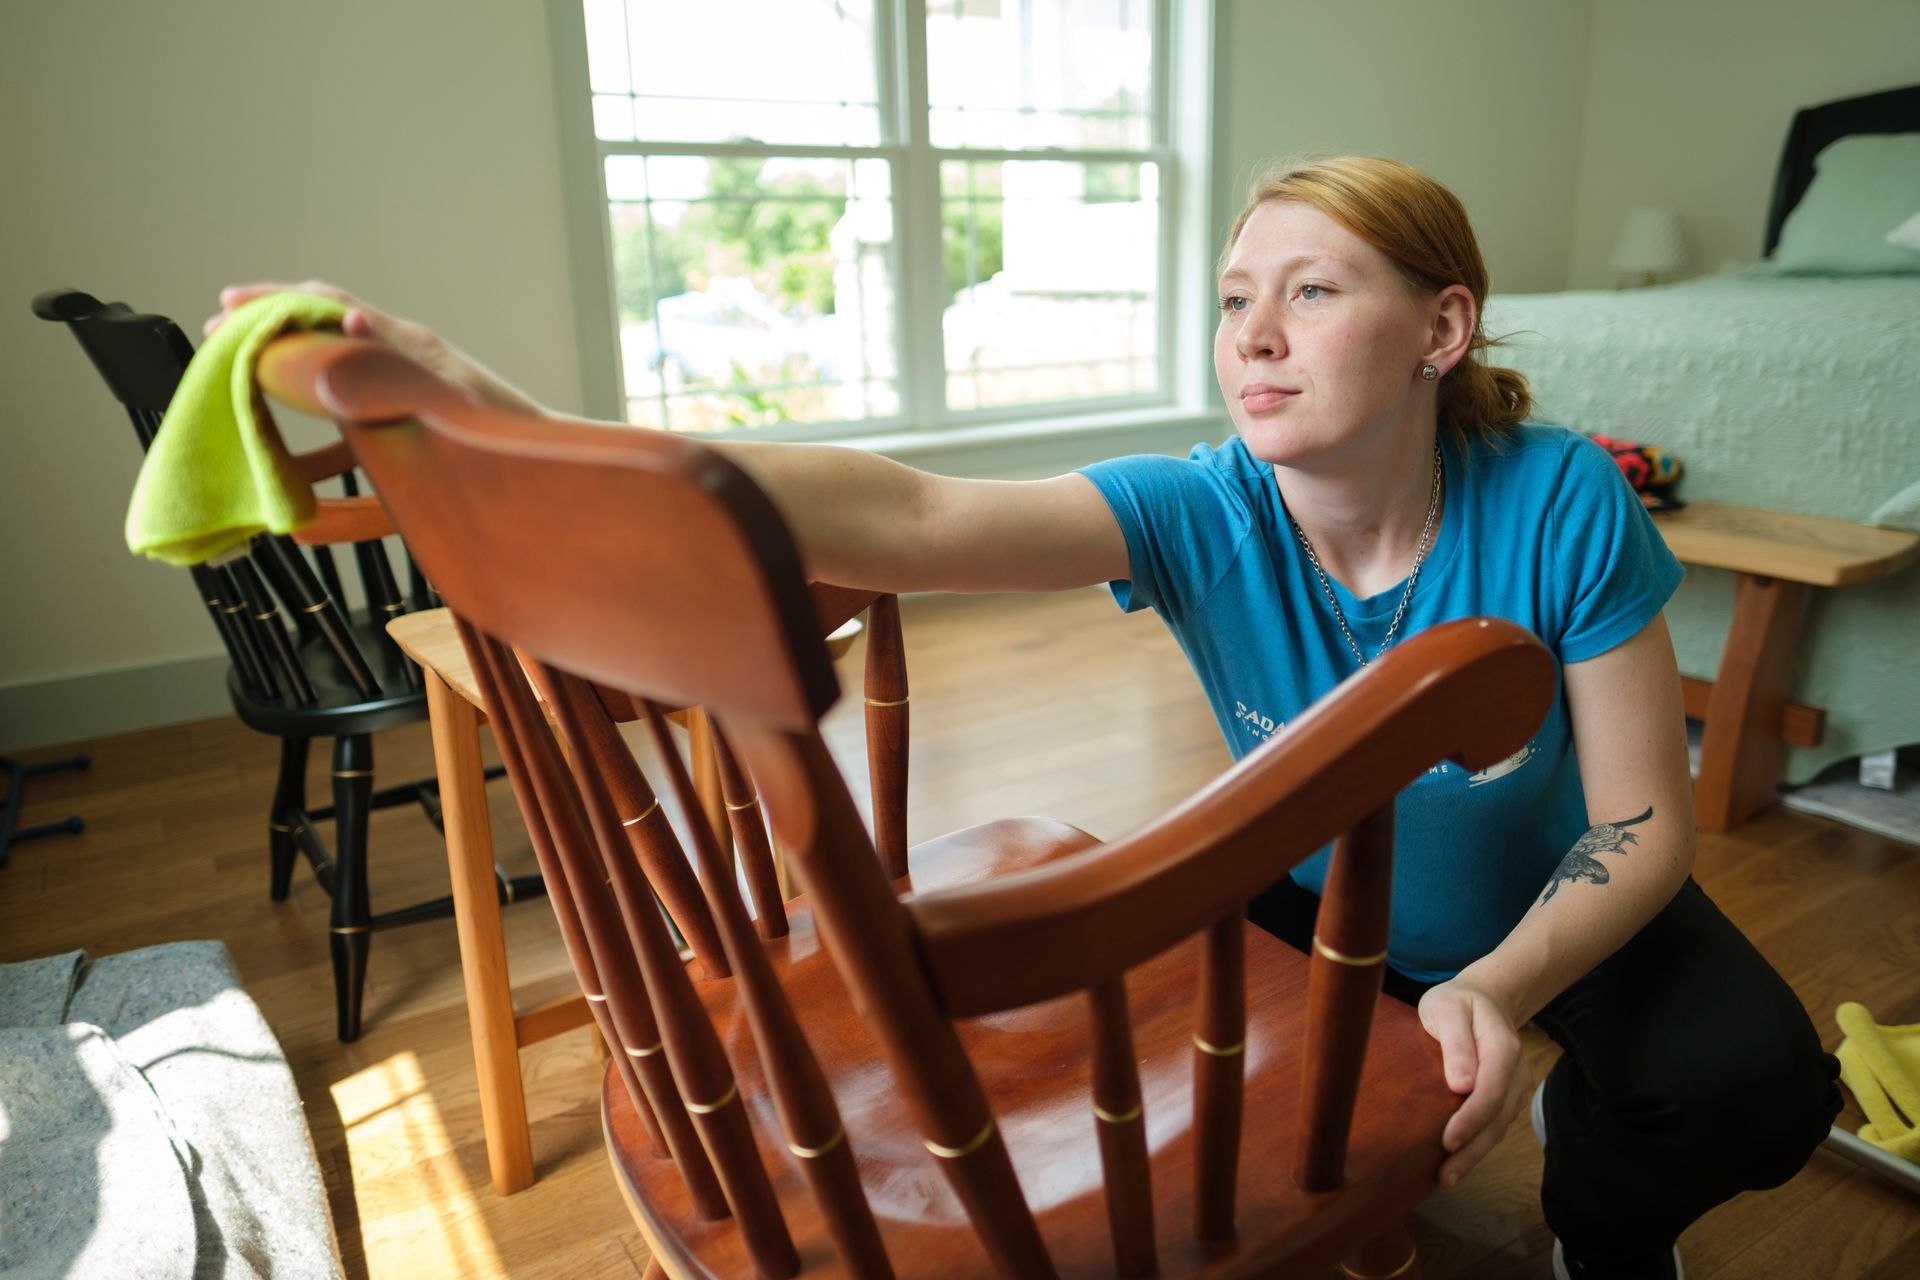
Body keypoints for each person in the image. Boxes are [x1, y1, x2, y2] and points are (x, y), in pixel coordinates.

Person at [213, 155, 1840, 1280]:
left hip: (1548, 914)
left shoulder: (1561, 499)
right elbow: (912, 517)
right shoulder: (1206, 505)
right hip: (1317, 895)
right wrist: (506, 417)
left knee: (1761, 1084)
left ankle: (1600, 1216)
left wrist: (1492, 988)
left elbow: (1643, 820)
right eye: (1231, 300)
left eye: (1313, 290)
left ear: (1442, 328)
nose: (1252, 335)